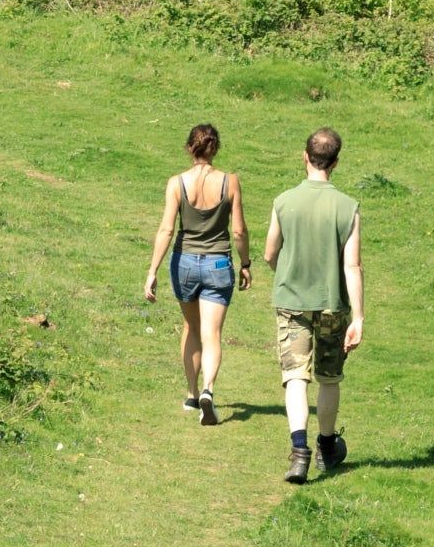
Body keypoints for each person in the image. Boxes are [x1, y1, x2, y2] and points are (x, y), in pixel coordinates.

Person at [265, 128, 363, 484]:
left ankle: (299, 451)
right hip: (332, 304)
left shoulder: (283, 201)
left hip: (292, 301)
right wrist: (360, 316)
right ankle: (326, 446)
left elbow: (269, 253)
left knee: (295, 376)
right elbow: (352, 265)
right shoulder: (348, 207)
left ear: (304, 156)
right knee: (329, 377)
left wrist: (287, 274)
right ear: (335, 162)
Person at [142, 124, 250, 425]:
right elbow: (238, 230)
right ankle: (208, 390)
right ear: (215, 149)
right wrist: (245, 263)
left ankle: (191, 395)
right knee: (212, 333)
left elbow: (166, 229)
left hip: (184, 263)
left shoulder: (177, 183)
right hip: (218, 264)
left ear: (190, 148)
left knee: (191, 327)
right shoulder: (231, 182)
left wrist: (152, 271)